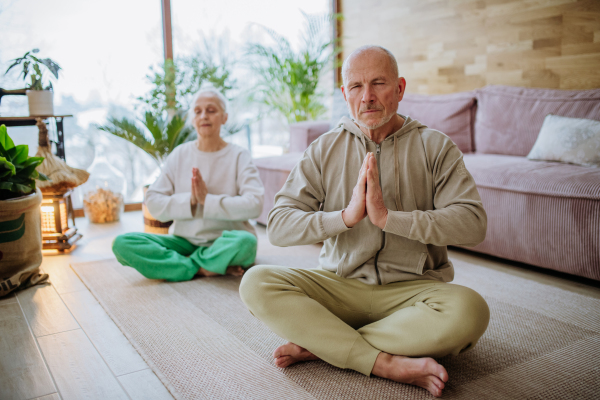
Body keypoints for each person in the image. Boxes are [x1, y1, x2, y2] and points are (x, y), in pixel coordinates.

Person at [239, 46, 490, 398]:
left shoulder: (436, 147)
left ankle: (324, 345)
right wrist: (344, 217)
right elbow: (279, 224)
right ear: (345, 95)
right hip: (339, 286)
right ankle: (384, 361)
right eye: (356, 86)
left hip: (412, 293)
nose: (367, 97)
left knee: (470, 311)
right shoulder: (324, 149)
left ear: (400, 89)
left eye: (378, 83)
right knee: (255, 282)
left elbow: (472, 223)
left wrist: (390, 219)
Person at [112, 88, 264, 281]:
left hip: (226, 241)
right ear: (192, 119)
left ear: (224, 117)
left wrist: (207, 201)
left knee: (246, 242)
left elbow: (255, 204)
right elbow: (153, 200)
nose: (203, 116)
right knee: (123, 243)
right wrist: (191, 202)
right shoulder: (180, 154)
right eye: (198, 111)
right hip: (183, 241)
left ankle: (181, 265)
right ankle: (204, 266)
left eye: (211, 110)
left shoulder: (239, 155)